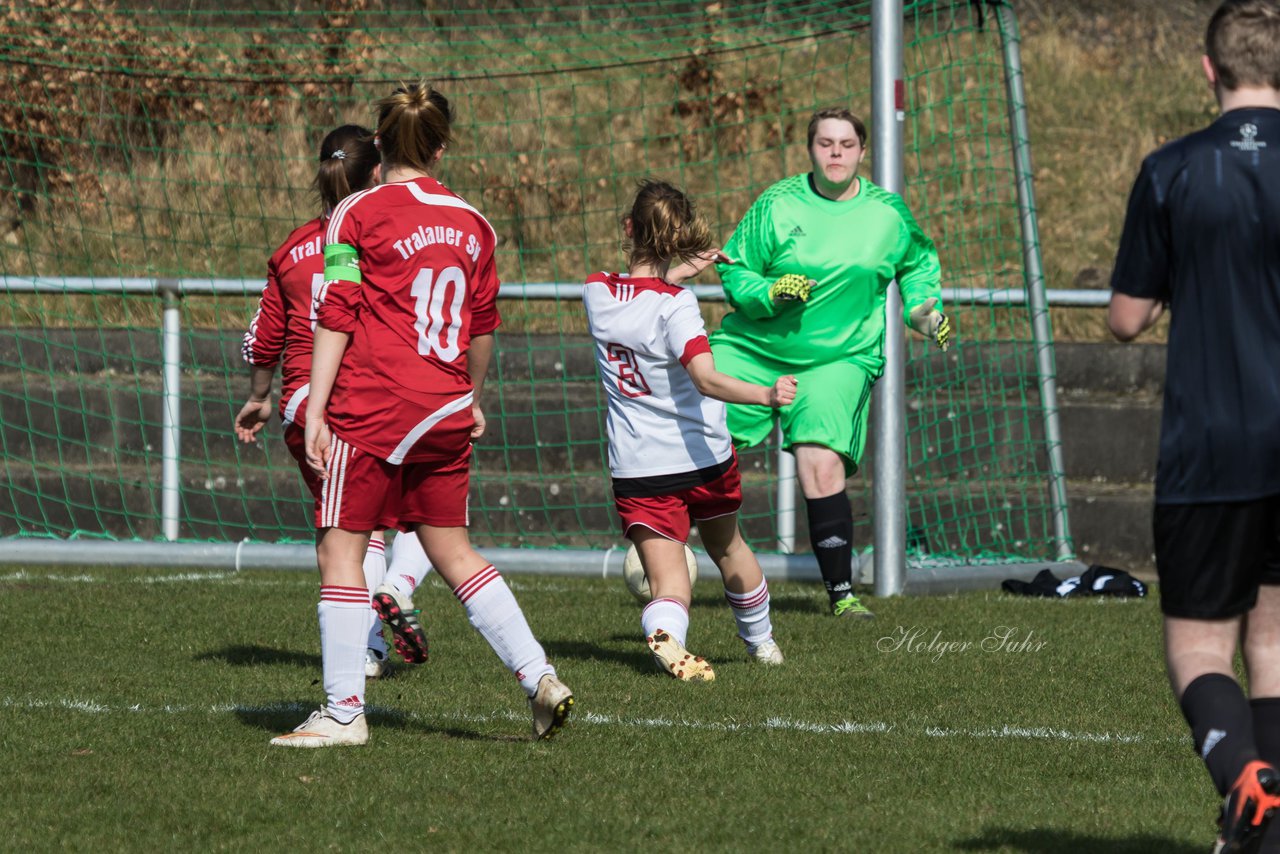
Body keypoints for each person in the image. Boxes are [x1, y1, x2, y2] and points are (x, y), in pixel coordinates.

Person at [269, 83, 573, 748]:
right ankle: (539, 676)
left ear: (379, 145)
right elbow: (483, 324)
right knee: (453, 549)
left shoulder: (356, 211)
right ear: (441, 146)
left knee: (340, 550)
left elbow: (337, 312)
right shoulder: (474, 222)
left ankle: (345, 713)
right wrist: (472, 396)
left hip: (374, 404)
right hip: (445, 405)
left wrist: (316, 409)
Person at [1108, 1, 1280, 849]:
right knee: (1276, 644)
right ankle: (1266, 826)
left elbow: (1127, 319)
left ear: (1209, 70)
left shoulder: (1172, 168)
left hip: (1212, 445)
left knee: (1201, 651)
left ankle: (1245, 786)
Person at [710, 107, 950, 618]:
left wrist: (924, 313)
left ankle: (841, 595)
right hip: (755, 348)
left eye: (846, 144)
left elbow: (919, 267)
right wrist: (772, 291)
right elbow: (735, 272)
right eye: (825, 143)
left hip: (838, 358)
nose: (836, 152)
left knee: (820, 460)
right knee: (698, 437)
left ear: (863, 151)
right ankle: (664, 554)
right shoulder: (776, 204)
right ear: (810, 150)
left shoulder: (888, 214)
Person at [234, 125, 433, 679]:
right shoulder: (388, 240)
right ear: (377, 172)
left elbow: (262, 339)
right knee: (427, 510)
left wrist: (259, 397)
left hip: (302, 406)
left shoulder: (290, 250)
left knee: (354, 528)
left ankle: (368, 646)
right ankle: (393, 596)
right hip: (369, 397)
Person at [584, 179, 798, 681]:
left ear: (629, 228)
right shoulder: (677, 306)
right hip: (702, 458)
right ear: (679, 238)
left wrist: (679, 267)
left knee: (669, 581)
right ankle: (762, 644)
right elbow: (704, 377)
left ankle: (667, 633)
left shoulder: (596, 289)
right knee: (728, 548)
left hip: (638, 465)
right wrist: (767, 394)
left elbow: (640, 288)